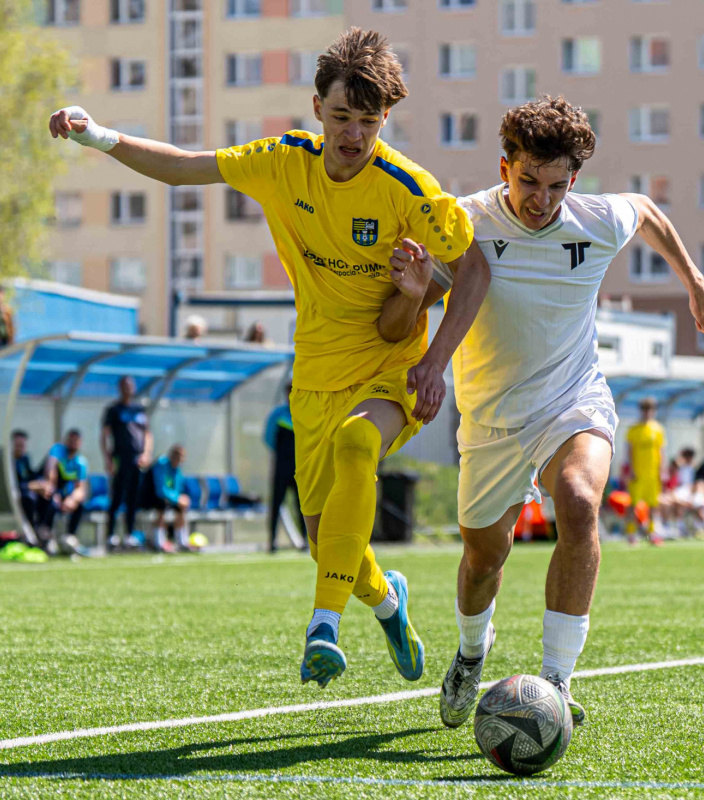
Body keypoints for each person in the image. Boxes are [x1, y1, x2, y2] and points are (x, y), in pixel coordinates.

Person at [49, 27, 491, 688]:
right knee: (325, 541)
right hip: (315, 371)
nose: (353, 134)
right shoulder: (281, 162)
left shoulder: (408, 188)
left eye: (368, 122)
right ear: (316, 108)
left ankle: (323, 627)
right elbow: (182, 166)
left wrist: (434, 363)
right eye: (341, 117)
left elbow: (475, 273)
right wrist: (97, 136)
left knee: (356, 448)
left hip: (390, 367)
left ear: (385, 120)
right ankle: (390, 602)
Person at [378, 96, 704, 727]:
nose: (541, 200)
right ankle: (470, 654)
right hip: (488, 420)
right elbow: (402, 318)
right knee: (485, 558)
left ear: (575, 180)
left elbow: (647, 212)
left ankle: (556, 682)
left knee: (579, 498)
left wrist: (696, 282)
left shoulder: (594, 220)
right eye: (528, 182)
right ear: (504, 166)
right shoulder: (464, 221)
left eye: (556, 185)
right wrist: (413, 294)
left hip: (573, 400)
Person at [100, 376, 152, 549]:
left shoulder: (140, 409)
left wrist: (146, 453)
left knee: (133, 499)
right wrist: (108, 459)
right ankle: (111, 536)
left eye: (130, 385)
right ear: (120, 388)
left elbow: (147, 434)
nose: (128, 388)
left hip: (138, 461)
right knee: (116, 498)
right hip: (120, 459)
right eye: (124, 385)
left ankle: (130, 534)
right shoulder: (113, 410)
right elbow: (104, 436)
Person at [264, 383, 306, 552]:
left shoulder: (304, 414)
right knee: (276, 504)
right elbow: (268, 438)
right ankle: (272, 542)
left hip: (300, 468)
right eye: (289, 391)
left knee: (303, 506)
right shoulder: (277, 414)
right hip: (281, 467)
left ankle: (305, 541)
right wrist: (283, 456)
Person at [38, 429, 90, 555]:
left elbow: (81, 488)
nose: (73, 443)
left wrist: (72, 499)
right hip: (48, 490)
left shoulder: (80, 462)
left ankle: (70, 537)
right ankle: (46, 537)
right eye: (71, 439)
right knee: (50, 498)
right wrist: (54, 491)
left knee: (80, 503)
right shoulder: (57, 450)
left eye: (76, 440)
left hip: (64, 494)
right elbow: (50, 471)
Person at [626, 397, 666, 544]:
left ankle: (652, 534)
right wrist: (631, 469)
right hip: (638, 473)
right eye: (644, 409)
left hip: (653, 474)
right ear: (640, 411)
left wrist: (662, 471)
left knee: (653, 505)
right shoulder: (633, 430)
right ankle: (631, 534)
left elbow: (661, 452)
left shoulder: (658, 429)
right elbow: (629, 451)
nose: (647, 412)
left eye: (650, 409)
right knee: (633, 505)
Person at [141, 445, 191, 552]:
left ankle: (182, 541)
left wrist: (181, 499)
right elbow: (161, 489)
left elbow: (177, 488)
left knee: (180, 508)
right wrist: (177, 498)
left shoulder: (177, 469)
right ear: (172, 456)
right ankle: (159, 542)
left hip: (166, 497)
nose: (180, 461)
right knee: (161, 505)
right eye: (179, 457)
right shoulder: (161, 464)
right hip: (147, 496)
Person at [12, 430, 43, 535]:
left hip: (26, 492)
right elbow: (11, 485)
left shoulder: (25, 458)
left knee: (49, 498)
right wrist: (29, 486)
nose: (20, 448)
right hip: (15, 497)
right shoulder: (7, 461)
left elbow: (30, 475)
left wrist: (41, 483)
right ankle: (30, 532)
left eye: (23, 446)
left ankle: (42, 531)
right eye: (18, 445)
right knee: (29, 497)